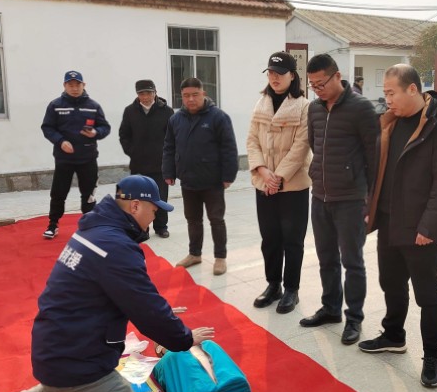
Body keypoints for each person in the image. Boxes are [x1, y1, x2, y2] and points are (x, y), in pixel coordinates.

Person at [1, 175, 216, 392]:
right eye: (154, 210)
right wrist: (185, 338)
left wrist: (158, 311)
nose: (155, 218)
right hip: (78, 364)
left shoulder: (95, 231)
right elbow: (146, 309)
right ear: (135, 206)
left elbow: (130, 295)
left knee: (78, 384)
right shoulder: (115, 247)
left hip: (54, 352)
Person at [358, 64, 437, 388]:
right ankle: (393, 335)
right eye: (385, 93)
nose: (387, 99)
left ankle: (432, 355)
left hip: (420, 228)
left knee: (427, 294)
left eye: (391, 93)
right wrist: (370, 208)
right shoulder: (389, 122)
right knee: (390, 282)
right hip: (389, 220)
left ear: (413, 89)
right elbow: (377, 170)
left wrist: (429, 227)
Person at [299, 54, 378, 345]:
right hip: (320, 195)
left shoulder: (361, 108)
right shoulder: (314, 109)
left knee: (352, 261)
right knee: (326, 258)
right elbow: (314, 144)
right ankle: (331, 308)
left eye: (321, 83)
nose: (317, 89)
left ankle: (354, 317)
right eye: (312, 85)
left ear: (337, 76)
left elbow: (374, 157)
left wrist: (369, 201)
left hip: (350, 199)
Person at [247, 51, 311, 314]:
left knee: (293, 239)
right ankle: (273, 285)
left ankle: (291, 289)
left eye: (280, 73)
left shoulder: (304, 106)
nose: (274, 78)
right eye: (271, 73)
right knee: (270, 237)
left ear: (292, 76)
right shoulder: (260, 103)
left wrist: (279, 176)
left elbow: (302, 146)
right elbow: (252, 140)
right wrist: (263, 171)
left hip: (293, 185)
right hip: (264, 183)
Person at [163, 77, 238, 276]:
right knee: (192, 219)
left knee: (216, 219)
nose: (191, 99)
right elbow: (169, 147)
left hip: (213, 181)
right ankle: (194, 254)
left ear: (203, 93)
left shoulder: (218, 117)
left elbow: (229, 148)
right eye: (186, 96)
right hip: (188, 180)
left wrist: (228, 175)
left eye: (195, 95)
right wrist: (169, 172)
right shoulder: (175, 119)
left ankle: (220, 257)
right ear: (181, 97)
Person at [40, 70, 110, 239]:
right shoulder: (55, 105)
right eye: (70, 85)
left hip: (88, 157)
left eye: (77, 84)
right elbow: (47, 128)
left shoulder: (93, 106)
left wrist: (95, 132)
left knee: (89, 194)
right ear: (64, 86)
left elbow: (105, 127)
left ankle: (89, 225)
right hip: (64, 158)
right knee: (58, 193)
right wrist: (60, 141)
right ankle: (53, 224)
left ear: (83, 85)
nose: (74, 88)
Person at [119, 79, 174, 238]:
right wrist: (132, 152)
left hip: (160, 164)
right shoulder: (130, 111)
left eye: (149, 93)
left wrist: (169, 158)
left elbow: (174, 137)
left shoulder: (167, 112)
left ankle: (161, 226)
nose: (146, 97)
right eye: (142, 94)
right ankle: (142, 228)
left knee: (160, 196)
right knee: (139, 198)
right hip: (139, 164)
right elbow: (124, 135)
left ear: (155, 93)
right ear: (137, 95)